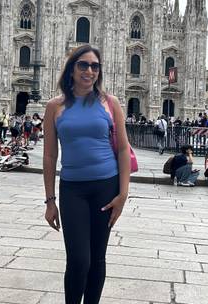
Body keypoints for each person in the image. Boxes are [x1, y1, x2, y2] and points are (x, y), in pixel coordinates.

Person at [42, 45, 130, 304]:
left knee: (97, 257)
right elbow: (49, 156)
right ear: (71, 70)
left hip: (106, 186)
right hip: (72, 189)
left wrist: (123, 194)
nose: (89, 71)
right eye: (83, 65)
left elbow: (123, 149)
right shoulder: (54, 107)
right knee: (79, 260)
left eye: (95, 66)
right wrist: (49, 201)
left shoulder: (110, 103)